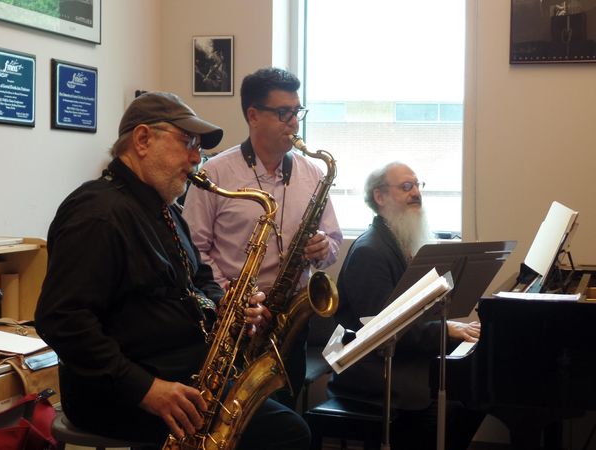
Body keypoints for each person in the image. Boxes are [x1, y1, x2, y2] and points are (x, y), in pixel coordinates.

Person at [35, 91, 310, 450]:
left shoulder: (164, 209)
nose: (197, 158)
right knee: (288, 433)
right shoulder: (97, 213)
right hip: (120, 392)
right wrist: (147, 390)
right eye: (187, 142)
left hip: (176, 373)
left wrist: (226, 305)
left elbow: (197, 278)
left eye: (198, 147)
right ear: (143, 140)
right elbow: (62, 320)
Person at [182, 67, 343, 409]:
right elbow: (194, 249)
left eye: (297, 112)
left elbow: (333, 241)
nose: (294, 123)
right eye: (284, 113)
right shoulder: (215, 172)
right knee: (239, 417)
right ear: (253, 115)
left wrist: (323, 247)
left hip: (291, 323)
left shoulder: (313, 172)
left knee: (288, 414)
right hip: (236, 323)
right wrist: (233, 298)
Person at [328, 161, 485, 450]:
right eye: (406, 187)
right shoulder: (369, 252)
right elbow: (382, 330)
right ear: (379, 196)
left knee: (475, 389)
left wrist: (448, 327)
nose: (416, 193)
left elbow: (413, 318)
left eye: (417, 185)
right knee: (464, 397)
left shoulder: (399, 242)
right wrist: (446, 330)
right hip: (370, 368)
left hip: (399, 356)